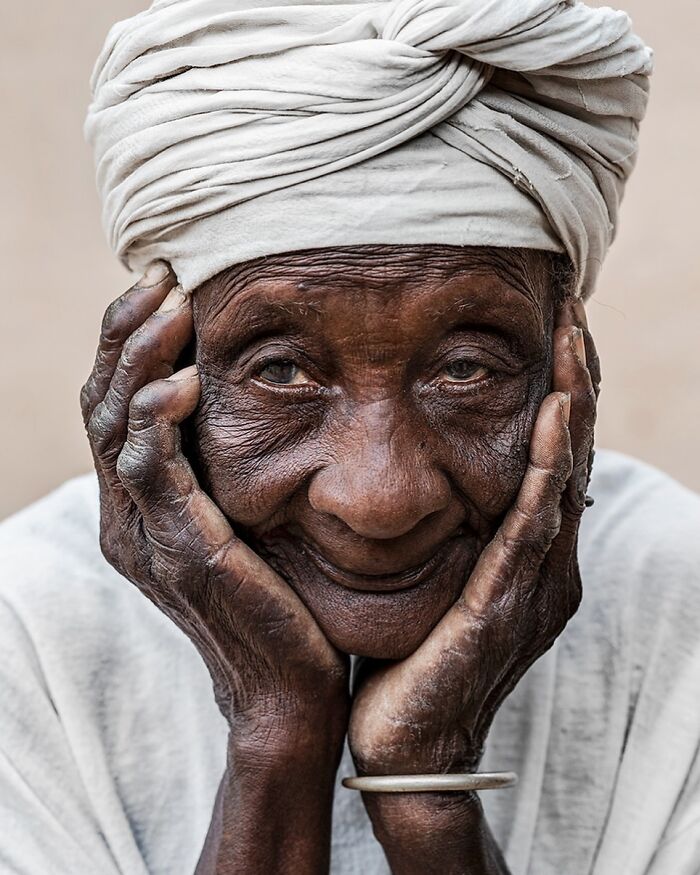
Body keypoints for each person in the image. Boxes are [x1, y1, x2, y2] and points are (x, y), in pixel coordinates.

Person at [2, 0, 699, 873]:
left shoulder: (682, 598)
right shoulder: (26, 629)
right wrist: (277, 733)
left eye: (467, 370)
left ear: (570, 375)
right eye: (282, 372)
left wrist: (427, 786)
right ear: (152, 380)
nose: (378, 498)